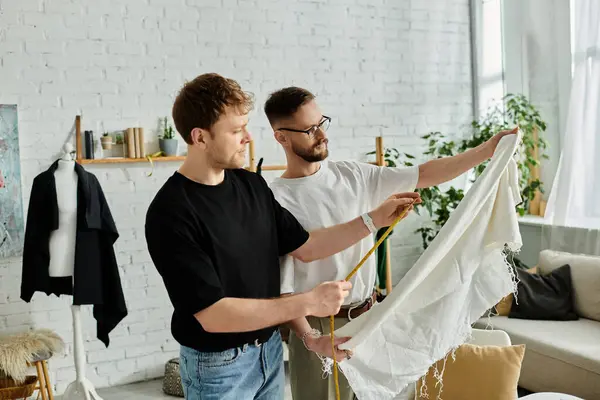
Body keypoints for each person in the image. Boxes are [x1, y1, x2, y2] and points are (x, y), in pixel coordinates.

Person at [144, 73, 421, 400]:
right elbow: (214, 315)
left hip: (270, 354)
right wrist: (309, 301)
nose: (247, 138)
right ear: (200, 137)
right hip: (218, 368)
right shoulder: (171, 212)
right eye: (236, 131)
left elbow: (307, 246)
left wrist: (372, 220)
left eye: (245, 126)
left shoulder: (252, 186)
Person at [264, 86, 518, 400]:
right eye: (309, 129)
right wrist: (311, 338)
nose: (321, 135)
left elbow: (423, 173)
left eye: (322, 123)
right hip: (318, 328)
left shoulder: (352, 176)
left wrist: (486, 151)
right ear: (281, 137)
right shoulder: (275, 199)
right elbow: (284, 286)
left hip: (369, 319)